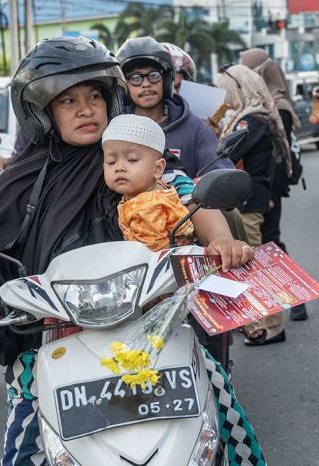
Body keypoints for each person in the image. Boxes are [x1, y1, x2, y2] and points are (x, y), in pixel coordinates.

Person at [0, 36, 265, 466]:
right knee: (25, 424)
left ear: (111, 98)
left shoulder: (133, 159)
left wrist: (220, 239)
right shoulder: (21, 181)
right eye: (68, 101)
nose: (85, 109)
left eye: (93, 96)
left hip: (150, 320)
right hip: (55, 331)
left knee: (214, 382)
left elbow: (189, 194)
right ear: (43, 112)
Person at [213, 64, 292, 345]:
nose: (220, 96)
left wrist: (211, 129)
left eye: (224, 89)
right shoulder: (256, 116)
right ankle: (261, 320)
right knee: (254, 259)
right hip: (251, 197)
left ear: (236, 88)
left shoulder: (251, 120)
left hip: (248, 200)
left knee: (255, 263)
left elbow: (225, 153)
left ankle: (272, 324)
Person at [239, 48, 308, 321]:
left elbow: (280, 154)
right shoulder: (269, 101)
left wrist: (269, 192)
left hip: (270, 186)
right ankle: (296, 300)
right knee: (270, 243)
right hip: (268, 185)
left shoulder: (277, 105)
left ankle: (296, 299)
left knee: (271, 244)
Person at [116, 36, 232, 177]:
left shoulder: (196, 129)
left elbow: (221, 176)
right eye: (135, 78)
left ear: (166, 80)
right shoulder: (114, 131)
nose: (145, 84)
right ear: (124, 86)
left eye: (153, 75)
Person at [102, 113, 194, 250]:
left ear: (158, 168)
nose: (119, 168)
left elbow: (153, 251)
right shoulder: (157, 191)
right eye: (111, 162)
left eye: (132, 160)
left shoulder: (148, 208)